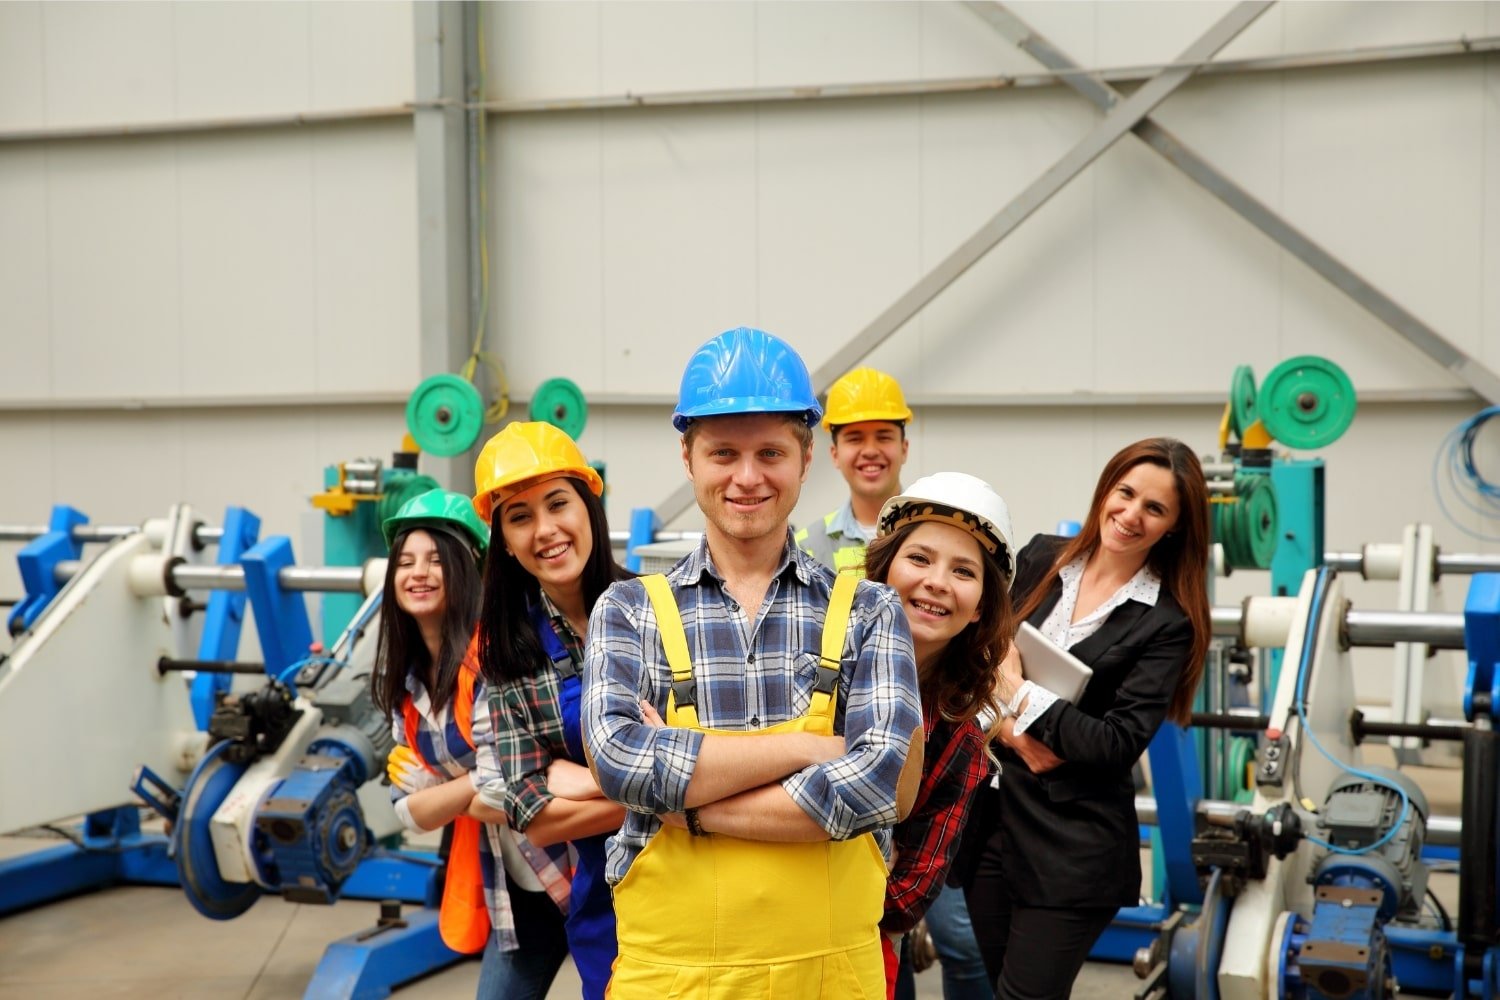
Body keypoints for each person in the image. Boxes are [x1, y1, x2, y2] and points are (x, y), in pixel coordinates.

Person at [581, 326, 926, 999]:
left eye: (770, 452)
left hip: (829, 981)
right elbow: (621, 762)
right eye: (723, 453)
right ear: (688, 457)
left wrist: (692, 809)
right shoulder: (629, 611)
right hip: (672, 981)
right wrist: (809, 748)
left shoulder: (870, 611)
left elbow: (879, 784)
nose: (747, 477)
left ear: (805, 458)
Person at [960, 438, 1211, 999]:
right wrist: (1016, 736)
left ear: (1174, 526)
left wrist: (1018, 690)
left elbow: (1114, 744)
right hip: (990, 824)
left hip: (1072, 849)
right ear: (1105, 489)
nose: (1131, 514)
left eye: (1155, 508)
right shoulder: (1040, 558)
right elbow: (976, 655)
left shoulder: (1167, 622)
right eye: (1126, 493)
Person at [371, 488, 568, 999]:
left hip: (577, 865)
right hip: (513, 883)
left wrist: (440, 789)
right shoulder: (406, 683)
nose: (418, 573)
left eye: (436, 560)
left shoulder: (493, 657)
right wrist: (471, 784)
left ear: (467, 568)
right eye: (405, 562)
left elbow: (507, 790)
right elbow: (406, 811)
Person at [464, 422, 632, 1000]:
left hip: (706, 884)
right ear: (506, 543)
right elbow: (533, 815)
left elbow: (717, 752)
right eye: (520, 517)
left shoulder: (660, 612)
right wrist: (658, 793)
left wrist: (578, 781)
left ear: (589, 508)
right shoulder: (509, 656)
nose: (545, 530)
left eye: (558, 504)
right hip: (608, 909)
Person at [863, 472, 1016, 1000]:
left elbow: (910, 894)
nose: (937, 582)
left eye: (963, 571)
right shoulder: (812, 664)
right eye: (920, 558)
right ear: (883, 570)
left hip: (855, 946)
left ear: (981, 608)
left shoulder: (960, 739)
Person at [795, 366, 912, 576]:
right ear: (835, 454)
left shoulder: (934, 533)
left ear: (904, 449)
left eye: (884, 437)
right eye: (855, 439)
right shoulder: (806, 549)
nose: (870, 451)